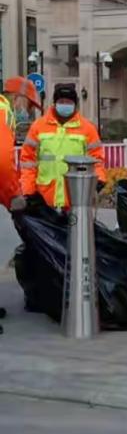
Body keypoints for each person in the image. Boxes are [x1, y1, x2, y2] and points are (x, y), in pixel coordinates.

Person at [20, 83, 106, 209]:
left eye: (68, 102)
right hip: (44, 200)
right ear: (55, 103)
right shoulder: (38, 127)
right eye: (61, 101)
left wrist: (98, 180)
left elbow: (97, 159)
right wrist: (28, 191)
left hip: (76, 200)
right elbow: (28, 162)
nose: (65, 104)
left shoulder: (88, 128)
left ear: (75, 104)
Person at [0, 76, 42, 334]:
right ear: (18, 98)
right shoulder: (3, 112)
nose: (26, 112)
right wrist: (13, 196)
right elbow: (2, 162)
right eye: (27, 105)